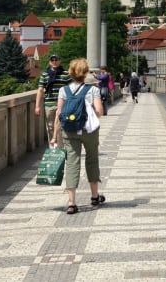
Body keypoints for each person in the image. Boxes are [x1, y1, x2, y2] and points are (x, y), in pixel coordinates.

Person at [51, 58, 104, 214]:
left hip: (68, 131)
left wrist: (54, 136)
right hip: (89, 131)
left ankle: (72, 202)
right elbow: (99, 111)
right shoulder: (93, 89)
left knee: (72, 163)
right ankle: (94, 196)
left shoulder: (64, 90)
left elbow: (59, 114)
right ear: (86, 72)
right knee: (92, 159)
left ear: (71, 73)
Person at [34, 54, 72, 144]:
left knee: (61, 126)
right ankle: (53, 148)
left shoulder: (66, 74)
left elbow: (71, 90)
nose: (54, 62)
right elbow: (40, 90)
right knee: (50, 126)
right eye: (52, 60)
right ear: (49, 62)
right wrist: (37, 106)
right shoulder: (45, 74)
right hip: (49, 104)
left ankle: (61, 147)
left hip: (63, 105)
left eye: (56, 60)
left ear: (60, 61)